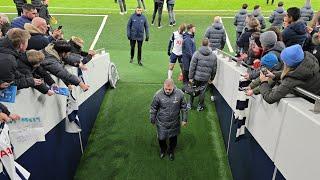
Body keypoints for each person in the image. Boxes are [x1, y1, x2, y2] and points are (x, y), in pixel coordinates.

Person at [150, 79, 188, 161]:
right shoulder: (158, 95)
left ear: (173, 87)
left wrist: (184, 119)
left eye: (169, 89)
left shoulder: (180, 94)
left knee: (173, 139)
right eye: (166, 89)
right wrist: (152, 119)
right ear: (163, 86)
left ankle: (171, 151)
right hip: (161, 122)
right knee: (161, 139)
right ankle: (163, 150)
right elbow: (153, 108)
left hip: (174, 122)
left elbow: (184, 108)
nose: (167, 91)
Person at [188, 38, 217, 111]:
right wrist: (212, 78)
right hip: (206, 78)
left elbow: (192, 66)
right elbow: (214, 69)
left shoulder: (197, 53)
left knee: (193, 90)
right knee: (202, 92)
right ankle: (200, 106)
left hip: (196, 77)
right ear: (208, 44)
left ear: (201, 44)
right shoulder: (213, 56)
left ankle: (190, 105)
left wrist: (190, 77)